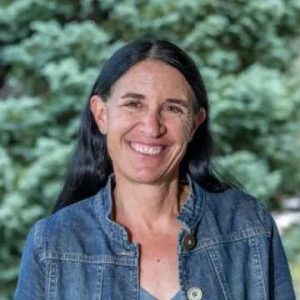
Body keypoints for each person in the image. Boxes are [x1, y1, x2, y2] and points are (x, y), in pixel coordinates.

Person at [15, 39, 295, 300]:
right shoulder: (52, 245)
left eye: (173, 108)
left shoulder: (248, 225)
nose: (152, 127)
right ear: (101, 115)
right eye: (133, 104)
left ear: (194, 124)